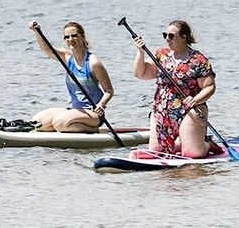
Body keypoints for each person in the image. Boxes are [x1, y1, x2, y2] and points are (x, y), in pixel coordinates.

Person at [131, 20, 216, 158]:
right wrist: (140, 52)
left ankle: (206, 144)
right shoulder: (161, 55)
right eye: (165, 35)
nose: (167, 39)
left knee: (191, 154)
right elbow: (141, 73)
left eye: (171, 36)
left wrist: (195, 100)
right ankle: (181, 143)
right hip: (162, 110)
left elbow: (210, 87)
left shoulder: (198, 60)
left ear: (184, 37)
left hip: (190, 109)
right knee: (157, 153)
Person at [27, 20, 114, 132]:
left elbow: (109, 90)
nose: (70, 40)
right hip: (72, 110)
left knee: (59, 123)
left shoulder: (94, 63)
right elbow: (47, 49)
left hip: (93, 112)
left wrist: (101, 105)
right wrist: (37, 31)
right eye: (66, 37)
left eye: (74, 36)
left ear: (82, 37)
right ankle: (68, 126)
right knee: (37, 122)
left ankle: (92, 129)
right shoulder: (67, 57)